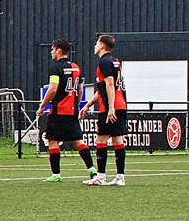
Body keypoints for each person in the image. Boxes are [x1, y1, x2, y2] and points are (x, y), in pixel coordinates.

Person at [35, 38, 97, 182]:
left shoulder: (55, 68)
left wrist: (43, 105)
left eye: (52, 49)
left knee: (53, 140)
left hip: (59, 110)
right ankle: (92, 169)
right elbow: (80, 89)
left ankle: (56, 175)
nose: (51, 52)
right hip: (72, 110)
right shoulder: (76, 67)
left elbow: (53, 89)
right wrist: (77, 103)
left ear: (58, 49)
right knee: (78, 141)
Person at [79, 34, 128, 186]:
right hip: (121, 104)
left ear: (101, 45)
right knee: (117, 139)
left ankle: (100, 176)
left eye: (96, 43)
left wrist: (110, 108)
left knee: (101, 139)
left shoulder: (104, 62)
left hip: (110, 107)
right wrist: (88, 105)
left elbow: (110, 85)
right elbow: (102, 89)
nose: (94, 46)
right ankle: (120, 177)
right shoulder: (115, 61)